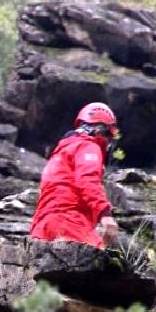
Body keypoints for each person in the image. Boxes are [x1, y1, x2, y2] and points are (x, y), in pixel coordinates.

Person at [30, 101, 121, 248]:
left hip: (42, 226)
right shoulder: (88, 146)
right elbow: (87, 180)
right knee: (104, 265)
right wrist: (105, 215)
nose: (109, 141)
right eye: (109, 135)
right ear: (102, 130)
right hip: (69, 222)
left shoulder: (61, 151)